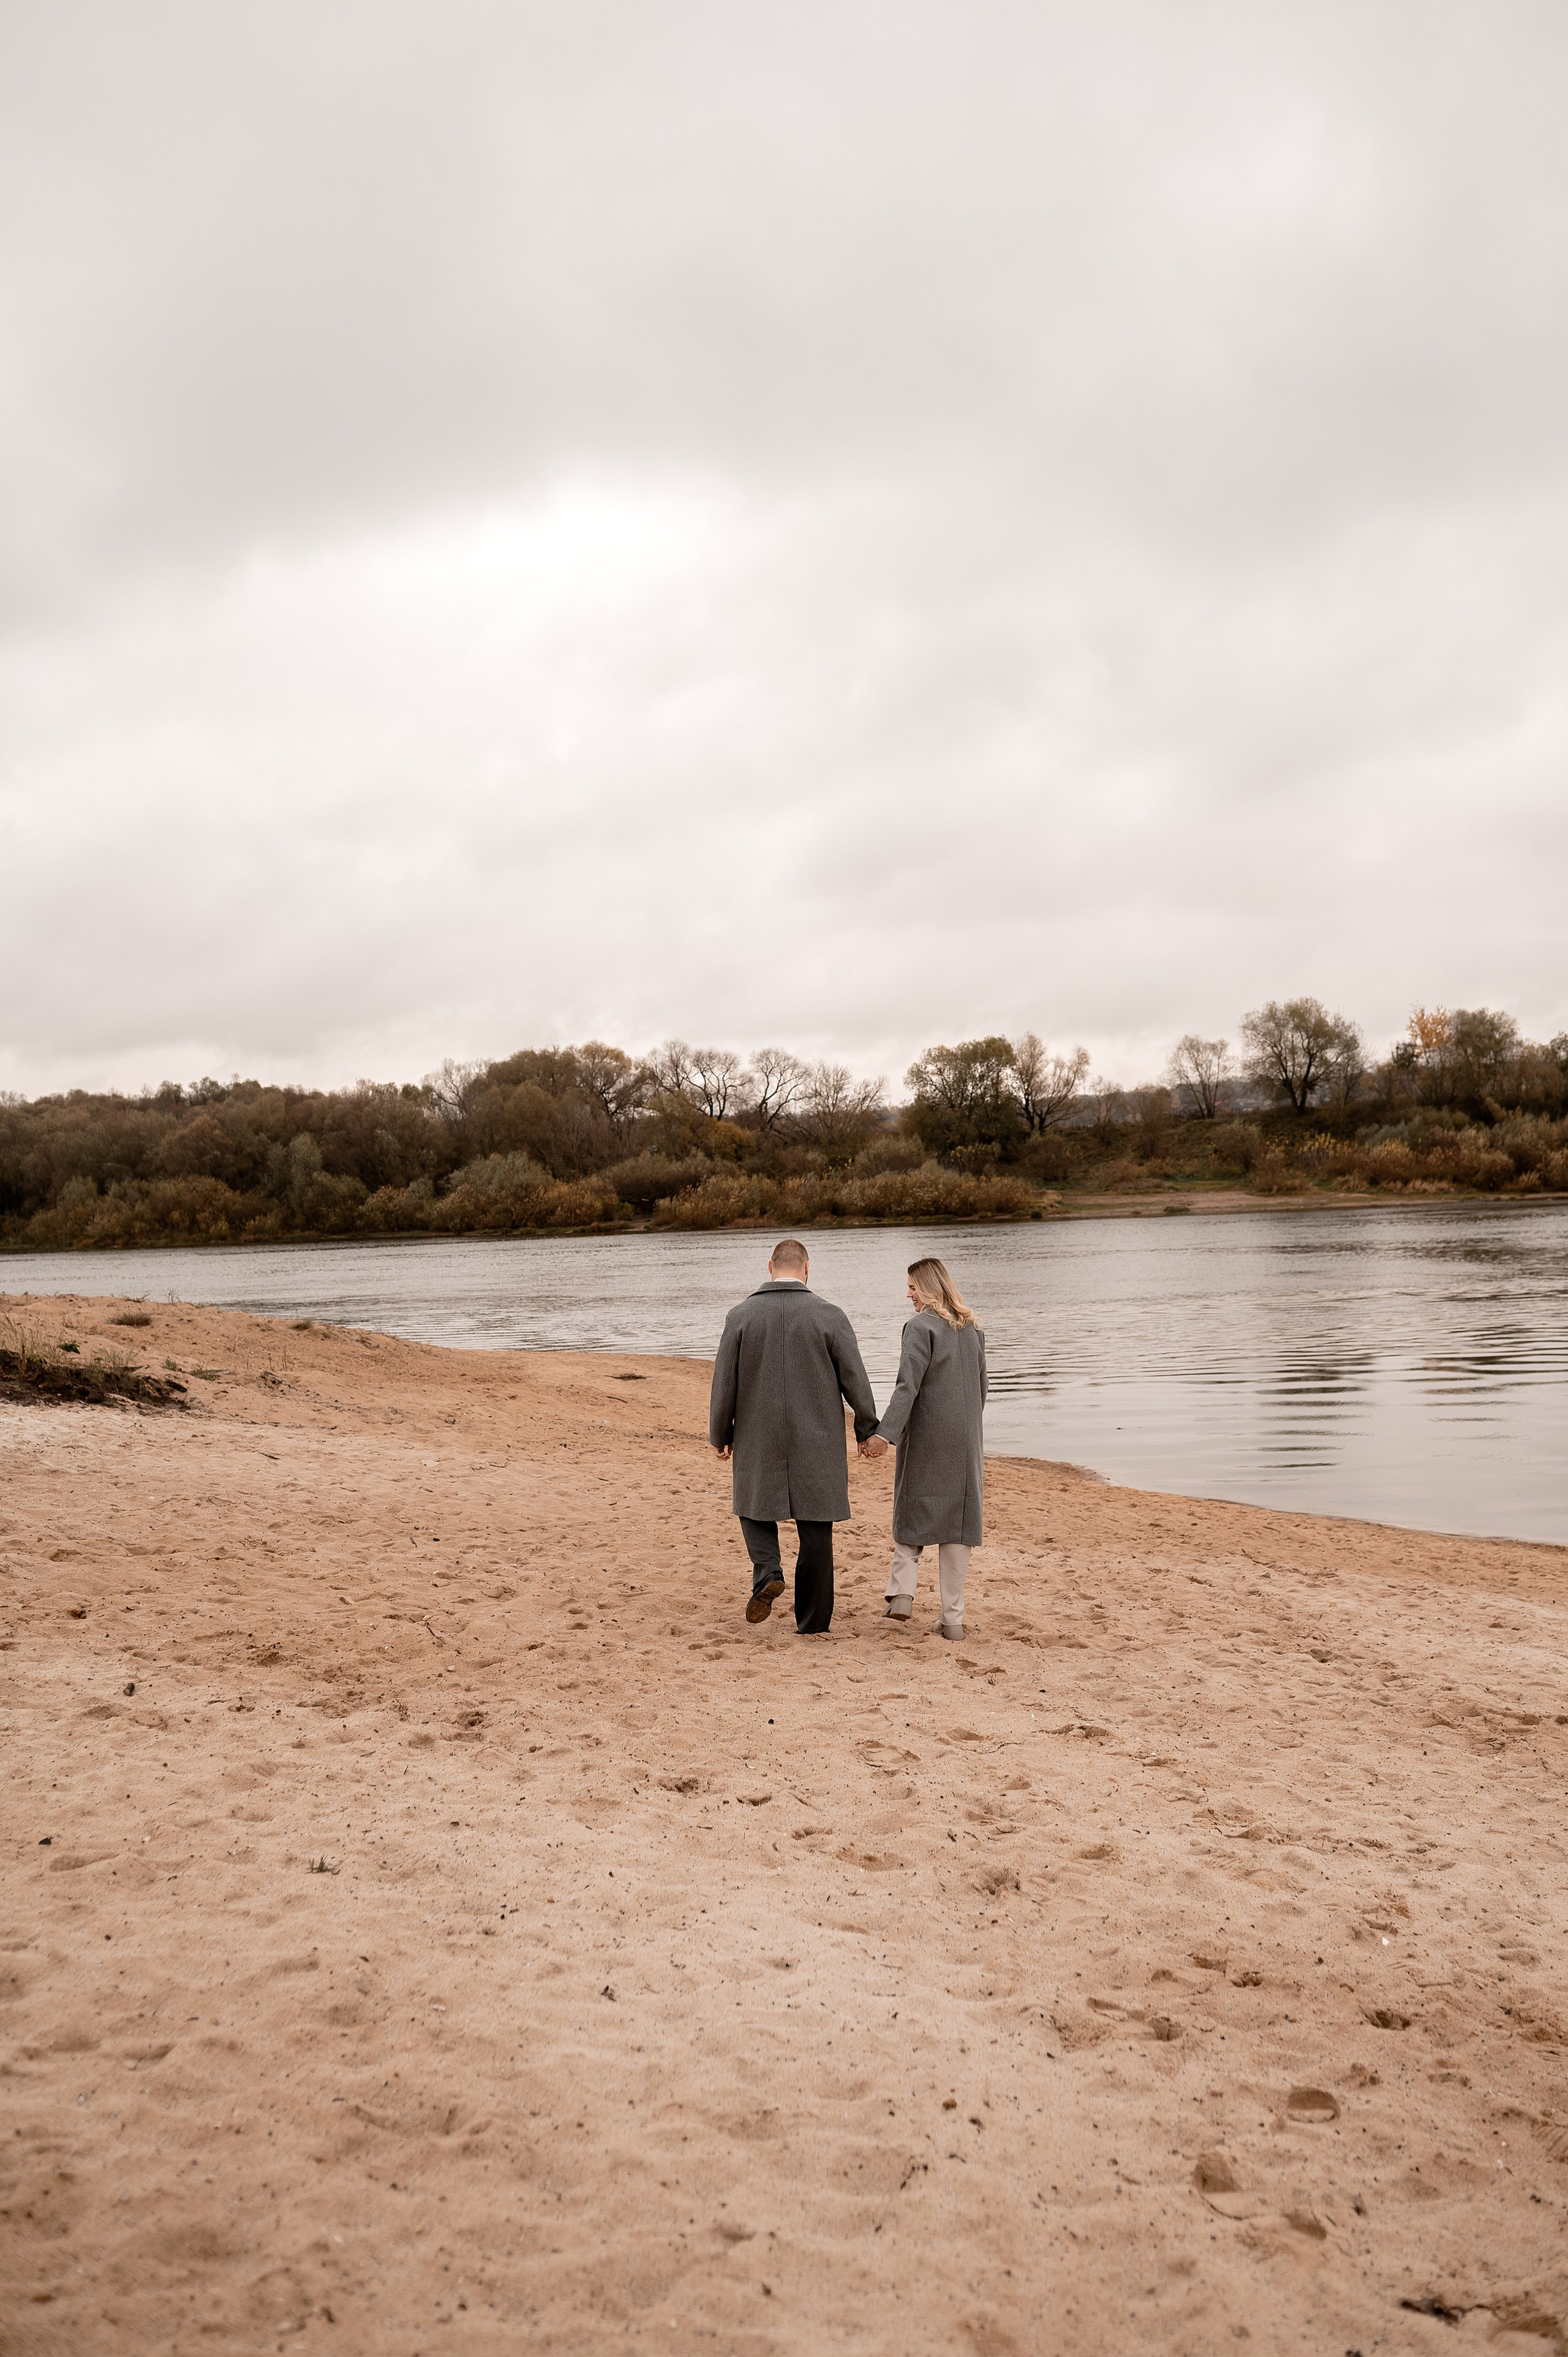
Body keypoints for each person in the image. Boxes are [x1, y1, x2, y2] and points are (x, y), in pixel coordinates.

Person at [709, 1238, 880, 1634]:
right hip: (817, 1436)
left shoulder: (741, 1316)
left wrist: (720, 1432)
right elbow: (855, 1378)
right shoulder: (830, 1315)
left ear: (770, 1267)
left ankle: (768, 1570)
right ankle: (813, 1622)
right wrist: (867, 1428)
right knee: (816, 1527)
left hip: (757, 1432)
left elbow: (724, 1384)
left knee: (752, 1506)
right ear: (807, 1268)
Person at [859, 1256, 986, 1640]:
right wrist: (965, 1428)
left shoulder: (919, 1327)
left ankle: (902, 1594)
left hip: (927, 1436)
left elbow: (907, 1387)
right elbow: (982, 1391)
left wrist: (885, 1435)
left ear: (929, 1288)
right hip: (966, 1440)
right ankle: (953, 1621)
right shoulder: (974, 1329)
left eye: (913, 1286)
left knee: (913, 1504)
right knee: (958, 1526)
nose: (908, 1293)